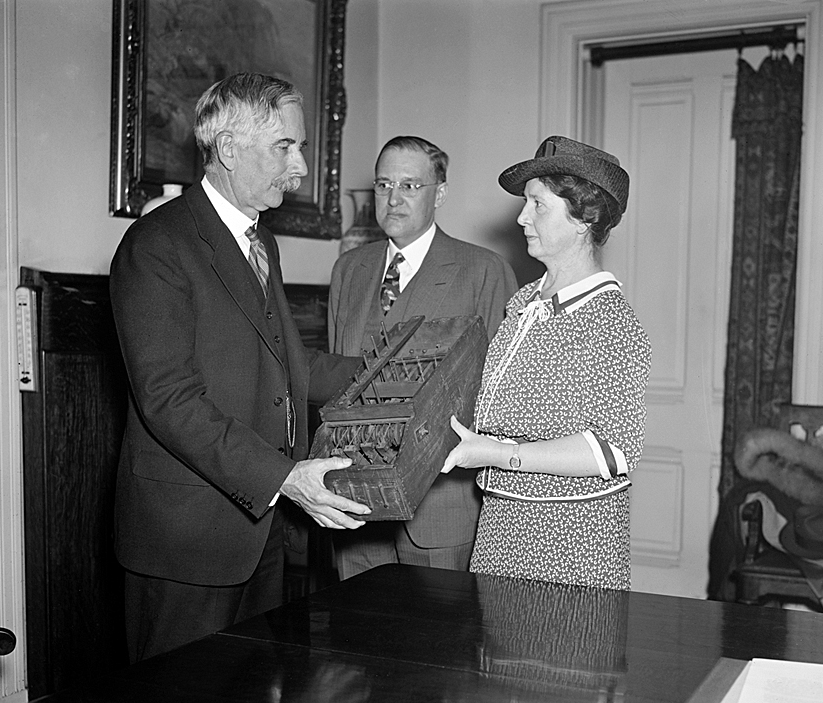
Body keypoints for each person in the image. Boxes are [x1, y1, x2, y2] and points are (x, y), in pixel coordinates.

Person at [110, 72, 370, 662]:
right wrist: (284, 478)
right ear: (228, 148)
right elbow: (169, 400)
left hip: (259, 533)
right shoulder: (157, 244)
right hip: (187, 542)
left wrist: (397, 371)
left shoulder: (261, 241)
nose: (301, 166)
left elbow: (292, 368)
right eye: (287, 146)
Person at [441, 136, 651, 590]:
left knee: (560, 657)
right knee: (496, 658)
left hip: (568, 541)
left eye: (538, 204)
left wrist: (498, 454)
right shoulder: (524, 301)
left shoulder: (611, 321)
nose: (521, 217)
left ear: (583, 218)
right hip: (501, 525)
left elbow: (612, 451)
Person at [328, 135, 518, 579]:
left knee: (440, 643)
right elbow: (337, 386)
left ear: (441, 194)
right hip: (355, 507)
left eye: (411, 186)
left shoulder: (483, 271)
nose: (393, 199)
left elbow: (503, 399)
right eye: (383, 185)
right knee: (357, 638)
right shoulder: (349, 270)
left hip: (440, 509)